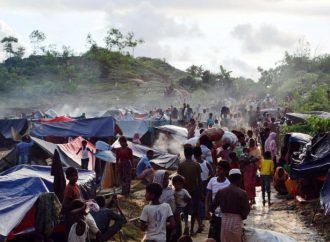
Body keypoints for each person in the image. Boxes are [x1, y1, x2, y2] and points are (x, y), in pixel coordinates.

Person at [214, 169, 250, 242]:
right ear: (240, 179)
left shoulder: (221, 191)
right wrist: (242, 217)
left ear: (229, 179)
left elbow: (213, 206)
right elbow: (246, 209)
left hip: (224, 220)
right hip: (236, 220)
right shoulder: (242, 193)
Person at [178, 144, 202, 236]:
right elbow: (199, 179)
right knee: (194, 210)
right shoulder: (196, 165)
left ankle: (186, 226)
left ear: (184, 153)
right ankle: (192, 229)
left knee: (185, 209)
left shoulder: (181, 165)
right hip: (194, 190)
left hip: (184, 190)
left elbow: (179, 179)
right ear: (192, 154)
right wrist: (201, 191)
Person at [205, 161, 231, 242]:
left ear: (226, 171)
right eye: (217, 168)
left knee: (224, 234)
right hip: (215, 211)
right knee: (214, 233)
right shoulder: (212, 181)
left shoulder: (229, 183)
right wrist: (206, 210)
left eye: (220, 169)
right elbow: (208, 197)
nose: (218, 170)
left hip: (226, 212)